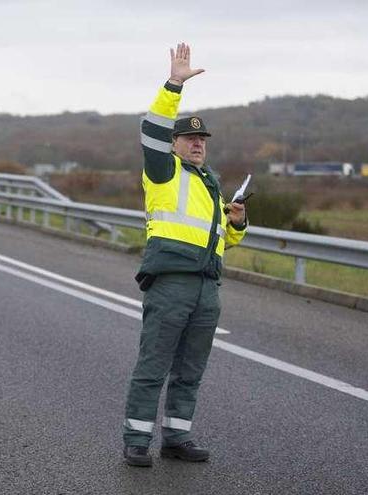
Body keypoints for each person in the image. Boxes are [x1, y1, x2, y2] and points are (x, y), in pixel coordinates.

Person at [123, 43, 248, 467]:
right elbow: (150, 128)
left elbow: (218, 243)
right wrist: (174, 83)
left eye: (201, 139)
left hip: (206, 286)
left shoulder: (209, 184)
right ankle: (136, 441)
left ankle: (177, 437)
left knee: (190, 370)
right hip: (171, 282)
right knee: (154, 365)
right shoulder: (164, 171)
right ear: (173, 143)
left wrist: (236, 224)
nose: (197, 144)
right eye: (190, 138)